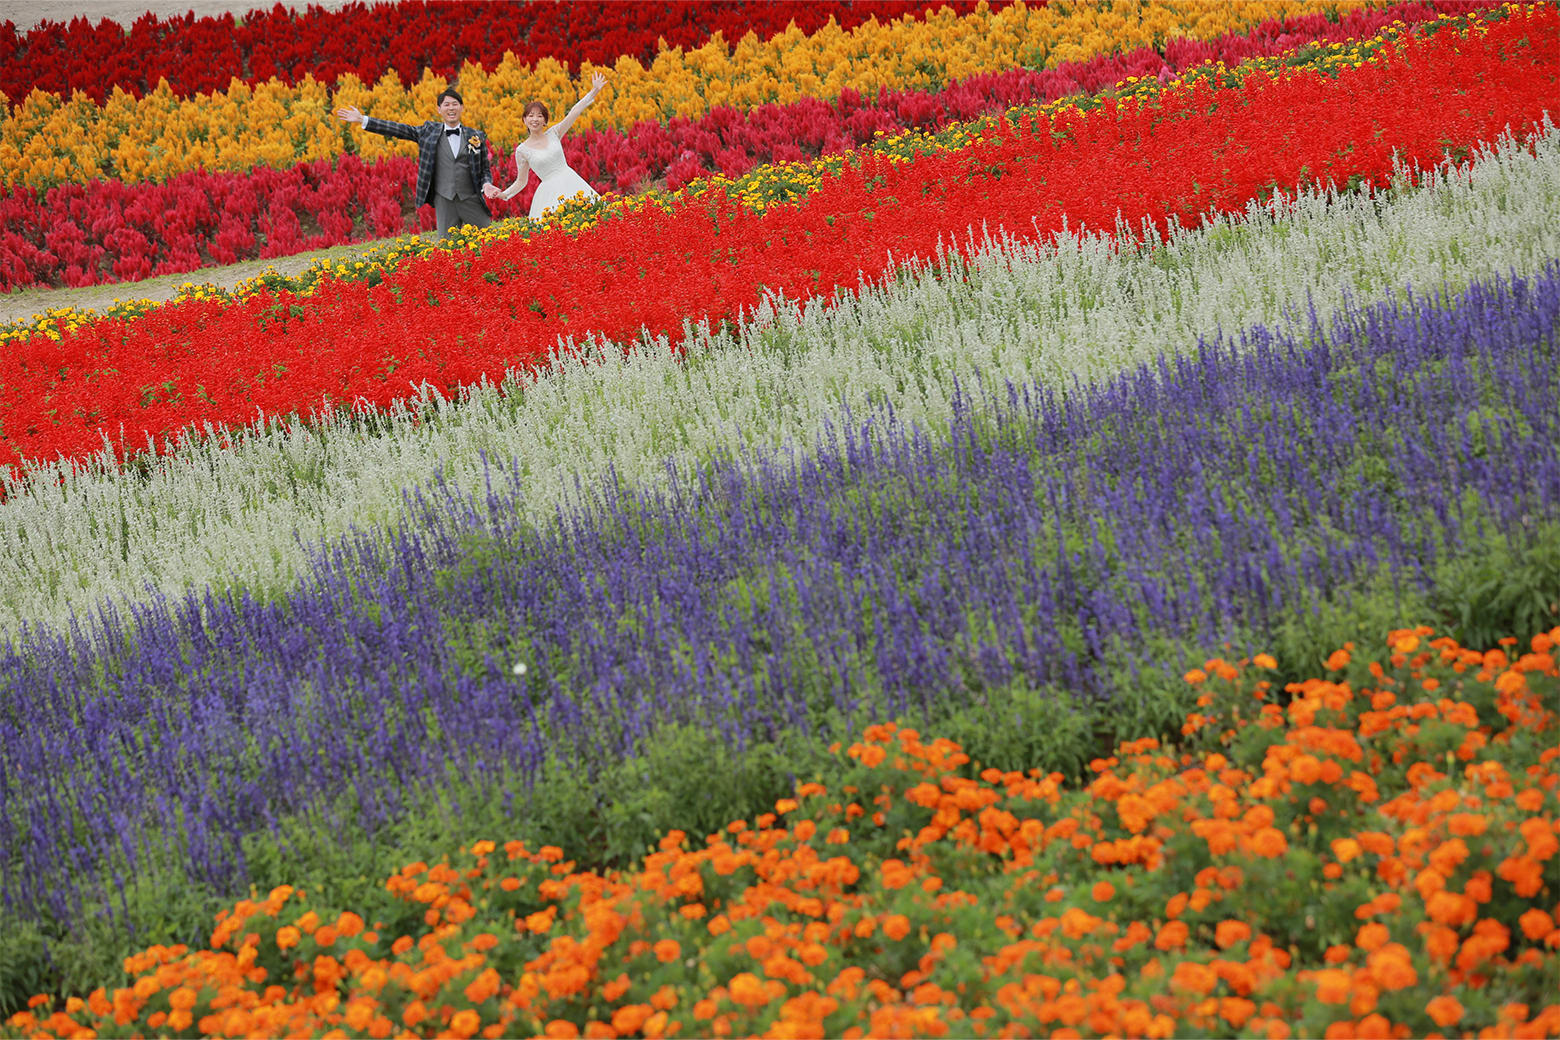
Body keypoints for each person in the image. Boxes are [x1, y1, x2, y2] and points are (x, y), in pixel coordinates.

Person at [334, 88, 495, 239]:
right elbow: (398, 129)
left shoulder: (476, 136)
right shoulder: (428, 131)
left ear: (462, 107)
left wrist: (487, 184)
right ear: (439, 109)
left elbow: (484, 169)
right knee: (448, 250)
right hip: (445, 199)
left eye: (455, 104)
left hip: (471, 198)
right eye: (446, 105)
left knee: (490, 240)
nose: (451, 108)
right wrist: (363, 119)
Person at [491, 72, 607, 220]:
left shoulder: (554, 133)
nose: (535, 119)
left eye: (540, 116)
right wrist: (503, 194)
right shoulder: (522, 150)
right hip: (549, 193)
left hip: (571, 182)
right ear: (525, 120)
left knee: (590, 219)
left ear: (545, 121)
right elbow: (521, 181)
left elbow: (575, 111)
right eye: (531, 116)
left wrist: (594, 90)